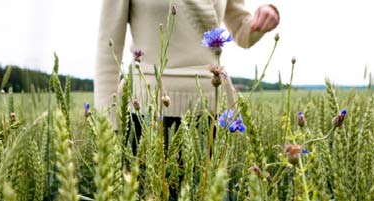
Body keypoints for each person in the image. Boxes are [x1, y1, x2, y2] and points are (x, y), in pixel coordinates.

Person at [94, 0, 280, 131]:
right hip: (145, 112)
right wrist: (107, 123)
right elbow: (108, 50)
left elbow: (242, 32)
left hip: (212, 109)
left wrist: (266, 16)